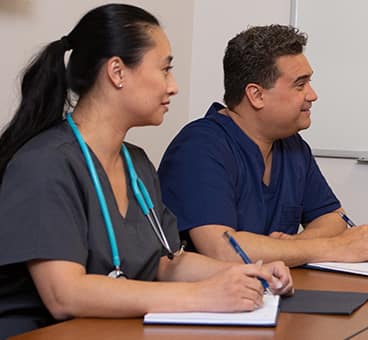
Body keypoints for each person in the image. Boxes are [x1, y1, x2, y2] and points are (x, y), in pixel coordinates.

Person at [0, 4, 293, 338]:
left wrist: (249, 273)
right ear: (117, 72)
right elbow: (64, 295)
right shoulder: (44, 164)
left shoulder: (136, 163)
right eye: (165, 70)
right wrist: (201, 295)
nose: (173, 86)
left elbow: (168, 262)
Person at [158, 25, 368, 267]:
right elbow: (224, 250)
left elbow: (333, 218)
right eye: (300, 84)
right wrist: (332, 247)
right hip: (212, 300)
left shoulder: (292, 145)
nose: (312, 95)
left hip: (272, 292)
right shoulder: (200, 146)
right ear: (256, 95)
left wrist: (293, 246)